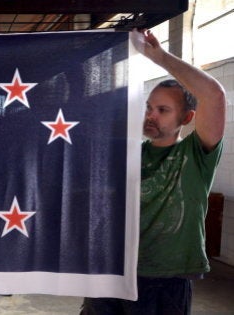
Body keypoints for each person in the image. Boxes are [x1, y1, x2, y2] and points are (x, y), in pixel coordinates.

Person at [81, 29, 226, 314]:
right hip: (112, 272)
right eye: (149, 107)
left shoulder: (195, 155)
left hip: (165, 280)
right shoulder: (129, 153)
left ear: (186, 118)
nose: (151, 115)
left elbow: (214, 97)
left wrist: (159, 57)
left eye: (163, 110)